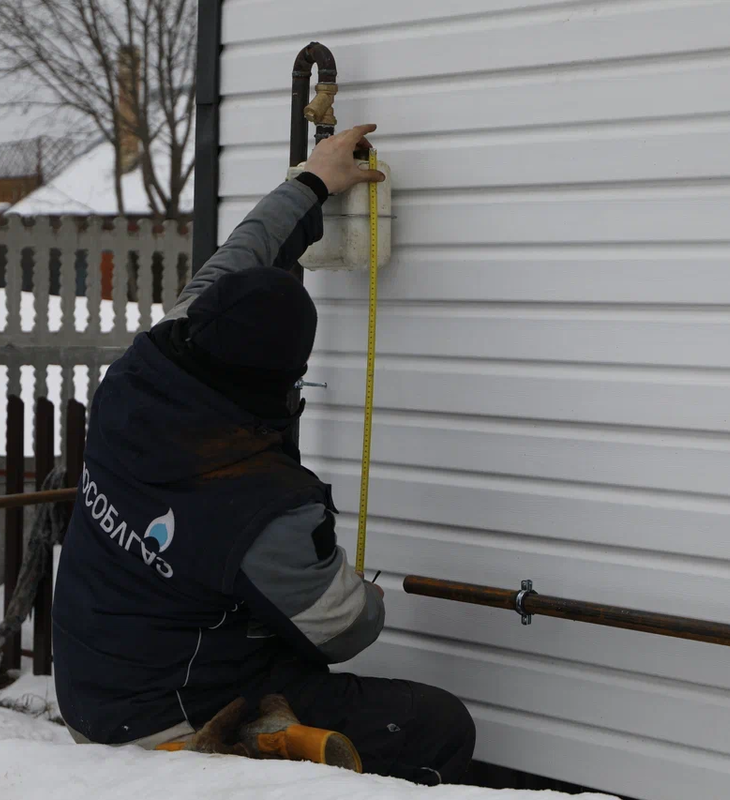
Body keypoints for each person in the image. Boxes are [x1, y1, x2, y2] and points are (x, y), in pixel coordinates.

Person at [51, 124, 476, 785]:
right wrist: (359, 593)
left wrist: (313, 180)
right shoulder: (258, 500)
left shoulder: (149, 363)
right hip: (164, 722)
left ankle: (269, 735)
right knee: (436, 726)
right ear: (282, 378)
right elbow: (344, 632)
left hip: (91, 685)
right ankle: (237, 754)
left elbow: (247, 251)